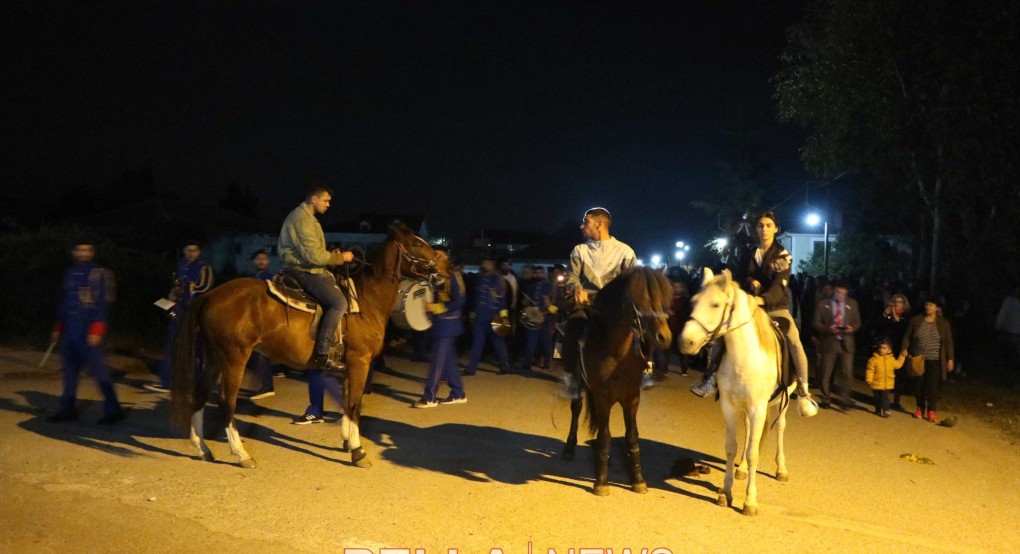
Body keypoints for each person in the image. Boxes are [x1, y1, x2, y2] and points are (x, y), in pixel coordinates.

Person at [691, 211, 817, 417]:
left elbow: (779, 285)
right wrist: (748, 282)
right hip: (749, 308)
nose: (764, 229)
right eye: (760, 225)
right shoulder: (749, 252)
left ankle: (804, 392)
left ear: (776, 229)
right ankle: (709, 378)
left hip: (775, 308)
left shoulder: (783, 255)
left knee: (794, 341)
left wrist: (763, 298)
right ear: (756, 229)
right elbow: (740, 277)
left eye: (768, 225)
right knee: (721, 335)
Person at [278, 185, 354, 374]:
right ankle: (322, 353)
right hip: (304, 271)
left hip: (307, 266)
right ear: (314, 199)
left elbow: (315, 252)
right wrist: (340, 258)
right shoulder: (303, 220)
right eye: (326, 201)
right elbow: (314, 256)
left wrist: (329, 255)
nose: (328, 205)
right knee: (339, 303)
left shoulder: (307, 218)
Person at [47, 239, 125, 424]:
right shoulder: (70, 272)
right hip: (71, 329)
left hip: (88, 329)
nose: (84, 253)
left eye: (87, 250)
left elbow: (102, 305)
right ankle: (67, 410)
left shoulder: (99, 273)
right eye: (80, 250)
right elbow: (66, 302)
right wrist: (58, 327)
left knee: (99, 372)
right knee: (69, 372)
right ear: (74, 252)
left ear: (92, 251)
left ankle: (113, 410)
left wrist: (96, 330)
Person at [561, 207, 636, 395]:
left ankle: (644, 371)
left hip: (615, 309)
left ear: (600, 224)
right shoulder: (579, 250)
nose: (582, 225)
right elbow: (571, 275)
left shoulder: (625, 252)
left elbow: (633, 281)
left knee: (642, 329)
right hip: (587, 305)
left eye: (586, 222)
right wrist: (576, 288)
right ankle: (571, 376)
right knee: (573, 328)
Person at [146, 240, 214, 393]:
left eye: (194, 250)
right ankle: (167, 381)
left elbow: (205, 291)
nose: (191, 253)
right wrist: (172, 295)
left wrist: (199, 316)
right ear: (183, 250)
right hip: (177, 311)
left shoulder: (204, 268)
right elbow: (177, 286)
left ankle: (196, 383)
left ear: (199, 252)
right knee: (172, 346)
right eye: (188, 250)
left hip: (194, 314)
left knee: (194, 349)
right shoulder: (181, 265)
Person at [414, 246, 468, 408]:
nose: (435, 257)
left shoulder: (454, 276)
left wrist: (436, 308)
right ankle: (458, 393)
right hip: (440, 325)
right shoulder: (433, 275)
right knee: (448, 362)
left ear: (446, 257)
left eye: (438, 255)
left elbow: (460, 301)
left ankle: (429, 397)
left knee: (436, 362)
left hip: (448, 324)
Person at [902, 296, 954, 422]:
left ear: (936, 307)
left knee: (932, 386)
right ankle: (920, 408)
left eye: (931, 305)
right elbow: (907, 335)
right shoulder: (917, 320)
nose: (928, 307)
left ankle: (931, 411)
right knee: (919, 385)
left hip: (935, 359)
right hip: (919, 357)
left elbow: (948, 342)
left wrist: (950, 359)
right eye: (926, 304)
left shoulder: (943, 323)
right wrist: (905, 348)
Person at [812, 280, 862, 409]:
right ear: (834, 291)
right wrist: (828, 328)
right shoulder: (823, 304)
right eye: (839, 292)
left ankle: (844, 398)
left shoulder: (852, 303)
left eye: (844, 294)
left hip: (846, 342)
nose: (841, 296)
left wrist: (853, 328)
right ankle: (825, 397)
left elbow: (857, 321)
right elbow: (816, 322)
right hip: (830, 342)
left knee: (847, 371)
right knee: (826, 371)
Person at [463, 256, 511, 375]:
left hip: (493, 316)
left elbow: (502, 300)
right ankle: (471, 369)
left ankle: (504, 366)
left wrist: (504, 316)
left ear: (492, 265)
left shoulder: (499, 280)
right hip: (479, 316)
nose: (485, 265)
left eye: (487, 263)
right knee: (477, 343)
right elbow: (475, 298)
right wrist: (472, 314)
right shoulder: (479, 279)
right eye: (483, 263)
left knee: (498, 342)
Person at [873, 293, 912, 410]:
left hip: (899, 347)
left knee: (898, 375)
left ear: (904, 304)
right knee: (883, 372)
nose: (896, 304)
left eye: (899, 302)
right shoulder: (887, 314)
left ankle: (896, 400)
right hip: (886, 347)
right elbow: (878, 326)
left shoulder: (907, 316)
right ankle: (882, 399)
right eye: (894, 301)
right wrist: (885, 315)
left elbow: (903, 329)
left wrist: (894, 315)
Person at [248, 250, 276, 400]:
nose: (261, 261)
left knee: (260, 351)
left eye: (264, 259)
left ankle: (266, 385)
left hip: (265, 321)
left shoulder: (271, 279)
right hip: (254, 321)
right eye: (258, 259)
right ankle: (263, 384)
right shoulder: (252, 278)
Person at [518, 265, 558, 370]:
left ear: (544, 274)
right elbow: (525, 303)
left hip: (546, 319)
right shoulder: (530, 287)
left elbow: (556, 305)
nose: (538, 275)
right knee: (531, 342)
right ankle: (527, 363)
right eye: (536, 273)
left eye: (541, 273)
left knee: (545, 342)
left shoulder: (550, 287)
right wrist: (525, 301)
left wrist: (547, 309)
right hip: (533, 318)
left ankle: (547, 362)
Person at [865, 338, 905, 418]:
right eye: (880, 348)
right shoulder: (873, 360)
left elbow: (898, 365)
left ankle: (886, 410)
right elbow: (870, 370)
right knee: (877, 398)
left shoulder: (891, 360)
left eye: (884, 348)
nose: (881, 350)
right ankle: (878, 410)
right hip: (876, 383)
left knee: (885, 397)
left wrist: (902, 356)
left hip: (887, 384)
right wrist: (869, 379)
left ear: (889, 350)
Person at [994, 287, 1020, 387]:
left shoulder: (1009, 301)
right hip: (1010, 334)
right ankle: (1010, 381)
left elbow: (1002, 315)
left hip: (1010, 335)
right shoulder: (1010, 301)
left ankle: (1009, 381)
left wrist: (997, 326)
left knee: (1009, 358)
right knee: (1011, 358)